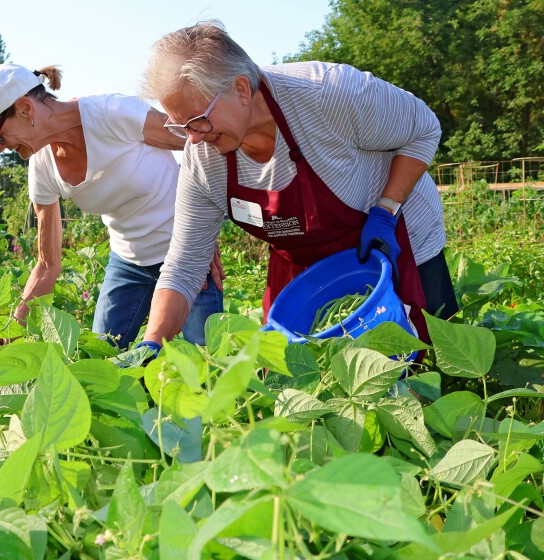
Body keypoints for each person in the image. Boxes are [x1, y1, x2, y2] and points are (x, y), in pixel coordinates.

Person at [136, 21, 458, 355]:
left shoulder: (328, 94)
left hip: (393, 242)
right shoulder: (203, 159)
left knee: (427, 360)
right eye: (180, 126)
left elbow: (423, 128)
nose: (193, 137)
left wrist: (386, 211)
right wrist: (153, 340)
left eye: (197, 120)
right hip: (308, 272)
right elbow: (185, 264)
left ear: (241, 90)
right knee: (301, 377)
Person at [0, 63, 224, 348]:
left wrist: (199, 234)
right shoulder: (42, 167)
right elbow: (48, 264)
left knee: (204, 362)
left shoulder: (111, 114)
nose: (0, 148)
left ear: (25, 109)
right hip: (128, 262)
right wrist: (13, 326)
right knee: (99, 360)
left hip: (183, 255)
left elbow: (204, 143)